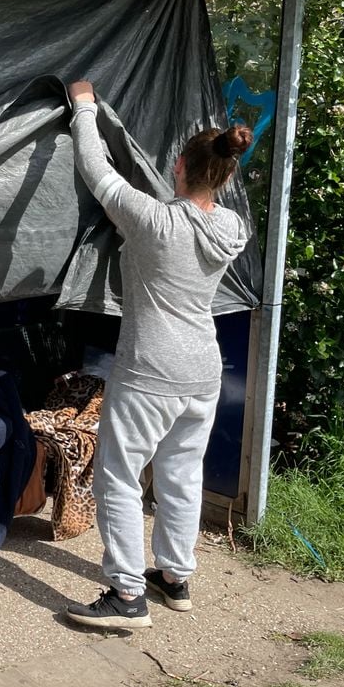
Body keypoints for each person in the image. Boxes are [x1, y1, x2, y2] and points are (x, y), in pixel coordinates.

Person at [62, 80, 252, 629]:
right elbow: (209, 201)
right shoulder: (232, 227)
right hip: (203, 372)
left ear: (178, 167)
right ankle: (175, 578)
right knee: (180, 474)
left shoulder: (155, 221)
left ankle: (126, 597)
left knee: (118, 478)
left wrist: (84, 108)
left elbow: (97, 170)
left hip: (150, 371)